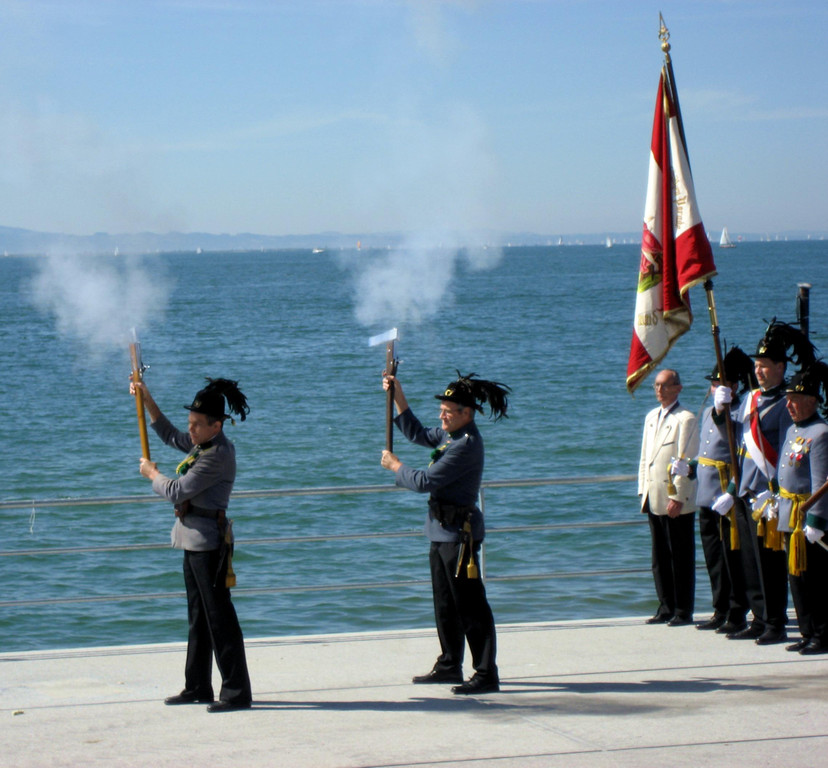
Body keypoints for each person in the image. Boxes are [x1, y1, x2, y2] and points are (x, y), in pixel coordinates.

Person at [380, 370, 510, 695]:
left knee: (470, 605)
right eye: (442, 410)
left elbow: (425, 481)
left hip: (459, 536)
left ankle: (486, 673)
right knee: (445, 604)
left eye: (448, 412)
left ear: (467, 414)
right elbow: (418, 433)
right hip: (439, 531)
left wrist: (396, 467)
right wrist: (397, 393)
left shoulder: (465, 445)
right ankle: (450, 664)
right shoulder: (451, 435)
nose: (442, 416)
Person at [132, 376, 253, 712]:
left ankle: (236, 692)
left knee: (220, 619)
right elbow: (171, 435)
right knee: (198, 617)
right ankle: (198, 685)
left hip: (209, 544)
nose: (191, 430)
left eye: (197, 425)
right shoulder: (203, 444)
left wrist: (152, 474)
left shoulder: (217, 455)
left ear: (217, 425)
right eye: (190, 422)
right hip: (192, 540)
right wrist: (146, 398)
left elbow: (177, 491)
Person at [714, 320, 815, 645]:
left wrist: (774, 491)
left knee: (770, 563)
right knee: (750, 561)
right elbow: (733, 436)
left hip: (767, 495)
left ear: (781, 368)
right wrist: (720, 408)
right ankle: (758, 618)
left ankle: (775, 622)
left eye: (765, 365)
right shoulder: (750, 399)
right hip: (745, 491)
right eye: (756, 365)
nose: (758, 371)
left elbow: (786, 451)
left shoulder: (786, 403)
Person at [691, 348, 754, 633]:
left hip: (725, 492)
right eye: (714, 384)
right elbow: (707, 451)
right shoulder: (708, 411)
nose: (715, 388)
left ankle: (737, 611)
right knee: (714, 556)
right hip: (706, 493)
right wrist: (690, 466)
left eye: (721, 384)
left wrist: (731, 491)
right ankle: (720, 608)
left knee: (732, 556)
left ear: (734, 387)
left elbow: (739, 451)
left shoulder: (740, 411)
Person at [775, 361, 828, 655]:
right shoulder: (793, 430)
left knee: (815, 579)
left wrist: (817, 521)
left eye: (794, 400)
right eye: (788, 399)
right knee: (796, 577)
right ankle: (807, 631)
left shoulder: (820, 433)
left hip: (809, 519)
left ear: (811, 401)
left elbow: (821, 482)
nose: (789, 405)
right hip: (790, 514)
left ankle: (822, 633)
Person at [638, 369, 699, 626]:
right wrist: (643, 490)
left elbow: (686, 460)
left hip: (675, 497)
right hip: (654, 494)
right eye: (656, 385)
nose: (659, 390)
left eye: (665, 385)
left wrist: (679, 496)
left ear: (678, 388)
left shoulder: (685, 418)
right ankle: (665, 606)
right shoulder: (651, 416)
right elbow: (645, 458)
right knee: (660, 556)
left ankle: (683, 610)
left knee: (680, 556)